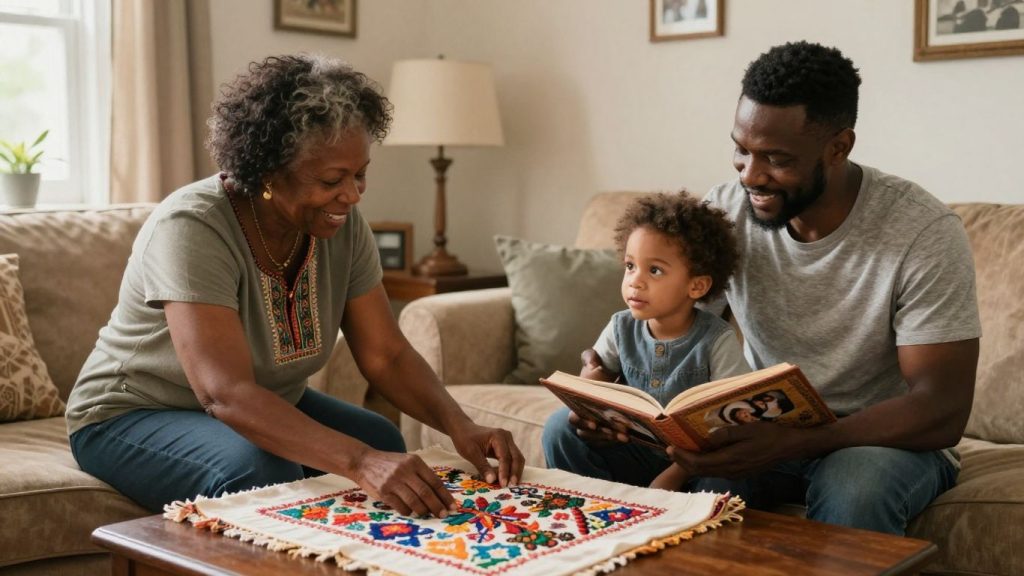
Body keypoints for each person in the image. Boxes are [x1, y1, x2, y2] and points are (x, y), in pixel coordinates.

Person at [65, 54, 524, 516]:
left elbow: (388, 355)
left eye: (360, 173)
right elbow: (224, 394)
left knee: (382, 438)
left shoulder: (343, 225)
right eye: (331, 179)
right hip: (132, 413)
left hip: (264, 400)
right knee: (260, 469)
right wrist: (362, 464)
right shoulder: (193, 226)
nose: (352, 194)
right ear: (268, 172)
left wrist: (460, 426)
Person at [586, 41, 980, 535]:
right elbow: (668, 324)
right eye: (741, 149)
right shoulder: (727, 211)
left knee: (857, 485)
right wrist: (601, 389)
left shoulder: (921, 232)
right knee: (571, 434)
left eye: (775, 157)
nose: (750, 174)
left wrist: (797, 442)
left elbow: (940, 408)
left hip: (878, 442)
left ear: (838, 147)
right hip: (758, 431)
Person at [542, 192, 750, 492]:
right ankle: (592, 509)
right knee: (559, 427)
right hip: (634, 449)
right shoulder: (620, 325)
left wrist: (675, 475)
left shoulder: (717, 340)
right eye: (630, 266)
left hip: (695, 464)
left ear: (697, 285)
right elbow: (594, 379)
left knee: (727, 478)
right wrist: (590, 386)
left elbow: (728, 424)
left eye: (654, 270)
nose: (635, 281)